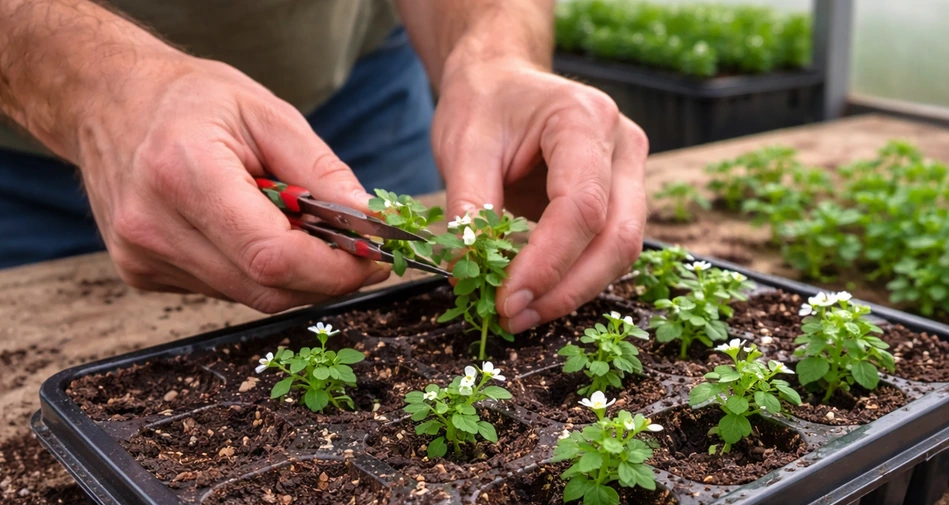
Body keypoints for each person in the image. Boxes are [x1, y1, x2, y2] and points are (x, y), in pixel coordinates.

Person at [0, 0, 648, 336]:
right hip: (27, 160)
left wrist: (497, 53)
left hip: (362, 89)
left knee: (391, 286)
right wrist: (92, 85)